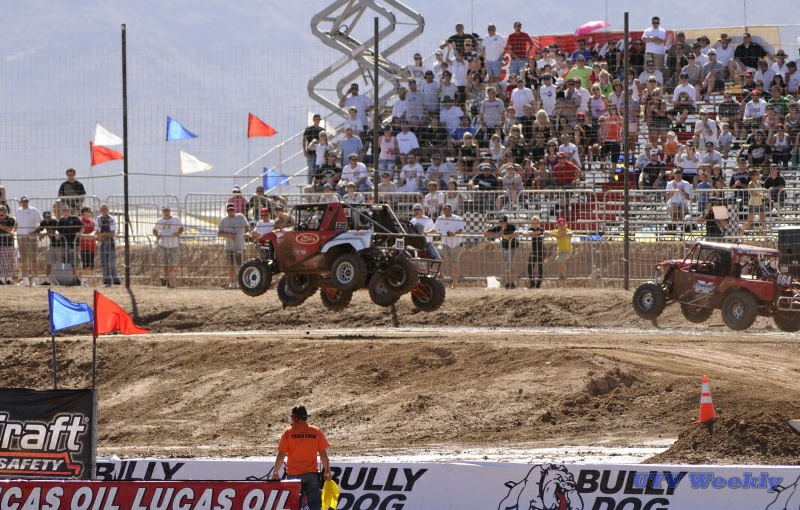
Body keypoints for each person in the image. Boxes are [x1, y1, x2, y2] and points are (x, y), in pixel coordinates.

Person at [272, 405, 331, 510]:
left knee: (293, 505)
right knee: (315, 504)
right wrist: (327, 471)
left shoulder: (288, 432)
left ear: (295, 417)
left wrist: (276, 472)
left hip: (293, 476)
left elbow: (281, 455)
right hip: (312, 474)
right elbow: (324, 455)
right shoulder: (316, 431)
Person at [431, 204, 464, 288]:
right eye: (445, 210)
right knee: (440, 254)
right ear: (443, 211)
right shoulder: (440, 219)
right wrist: (425, 233)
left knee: (455, 264)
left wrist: (454, 233)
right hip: (445, 243)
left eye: (448, 210)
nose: (446, 211)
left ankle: (455, 283)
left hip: (456, 244)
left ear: (451, 210)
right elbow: (434, 230)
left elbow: (461, 230)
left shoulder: (457, 219)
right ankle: (441, 274)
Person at [218, 203, 249, 289]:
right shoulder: (223, 220)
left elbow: (247, 227)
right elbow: (219, 233)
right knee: (231, 265)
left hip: (240, 245)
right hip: (229, 246)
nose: (231, 212)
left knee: (241, 265)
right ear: (227, 211)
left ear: (235, 210)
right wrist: (228, 235)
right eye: (229, 210)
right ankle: (232, 282)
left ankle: (241, 281)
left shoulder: (241, 217)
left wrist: (247, 233)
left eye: (232, 210)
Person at [484, 215, 519, 289]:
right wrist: (496, 234)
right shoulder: (498, 228)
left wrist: (508, 236)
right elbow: (485, 233)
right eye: (500, 222)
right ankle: (508, 282)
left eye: (503, 222)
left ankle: (512, 283)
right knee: (506, 265)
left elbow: (517, 233)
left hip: (513, 247)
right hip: (504, 247)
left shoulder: (511, 226)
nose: (502, 224)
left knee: (510, 263)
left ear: (506, 222)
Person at [153, 205, 184, 288]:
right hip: (163, 245)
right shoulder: (159, 221)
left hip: (174, 245)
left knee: (173, 263)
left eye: (167, 211)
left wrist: (177, 234)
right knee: (165, 265)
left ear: (170, 211)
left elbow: (181, 228)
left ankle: (164, 278)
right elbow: (154, 230)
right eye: (164, 211)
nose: (166, 212)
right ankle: (167, 282)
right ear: (162, 212)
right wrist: (157, 235)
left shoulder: (175, 219)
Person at [15, 196, 43, 286]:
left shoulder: (34, 210)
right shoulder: (18, 211)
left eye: (26, 201)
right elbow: (17, 223)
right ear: (21, 202)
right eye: (23, 201)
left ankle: (36, 280)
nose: (25, 203)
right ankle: (25, 280)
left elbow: (42, 223)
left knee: (34, 259)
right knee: (23, 260)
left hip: (31, 238)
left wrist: (35, 232)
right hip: (20, 238)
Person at [55, 204, 82, 285]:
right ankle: (68, 278)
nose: (66, 212)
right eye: (64, 210)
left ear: (70, 211)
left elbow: (82, 227)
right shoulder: (61, 220)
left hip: (74, 244)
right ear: (62, 212)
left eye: (67, 210)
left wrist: (79, 233)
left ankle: (76, 279)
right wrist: (57, 234)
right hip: (64, 245)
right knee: (66, 261)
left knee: (75, 261)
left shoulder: (75, 219)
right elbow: (57, 230)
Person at [95, 204, 121, 286]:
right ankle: (106, 279)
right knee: (103, 262)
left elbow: (113, 232)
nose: (104, 210)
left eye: (105, 209)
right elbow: (96, 231)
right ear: (100, 210)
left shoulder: (111, 219)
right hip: (102, 243)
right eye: (102, 209)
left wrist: (103, 235)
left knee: (111, 262)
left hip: (110, 242)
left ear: (108, 210)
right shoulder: (98, 219)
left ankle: (115, 278)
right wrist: (100, 236)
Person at [544, 218, 573, 288]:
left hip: (567, 251)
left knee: (557, 260)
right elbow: (545, 233)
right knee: (562, 267)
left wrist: (563, 235)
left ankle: (562, 275)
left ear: (566, 225)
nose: (562, 226)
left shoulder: (567, 230)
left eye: (563, 225)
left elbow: (570, 234)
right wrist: (554, 235)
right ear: (557, 225)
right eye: (560, 225)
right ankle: (564, 286)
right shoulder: (557, 231)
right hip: (560, 252)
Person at [742, 169, 767, 235]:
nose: (758, 175)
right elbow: (752, 194)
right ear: (752, 176)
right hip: (753, 204)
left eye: (758, 174)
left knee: (763, 221)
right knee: (750, 221)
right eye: (757, 174)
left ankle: (765, 237)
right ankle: (740, 233)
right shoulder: (751, 184)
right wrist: (762, 195)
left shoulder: (758, 182)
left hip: (760, 203)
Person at [38, 211, 59, 286]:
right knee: (49, 262)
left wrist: (44, 233)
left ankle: (60, 280)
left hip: (60, 245)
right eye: (45, 217)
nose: (47, 218)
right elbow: (38, 230)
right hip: (52, 245)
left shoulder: (54, 221)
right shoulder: (43, 223)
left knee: (59, 263)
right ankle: (47, 280)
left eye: (48, 217)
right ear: (43, 217)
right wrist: (40, 233)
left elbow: (56, 231)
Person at [302, 114, 324, 184]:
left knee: (318, 169)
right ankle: (309, 183)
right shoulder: (308, 129)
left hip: (319, 152)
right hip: (310, 152)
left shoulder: (322, 130)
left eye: (318, 119)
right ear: (313, 120)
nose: (317, 120)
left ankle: (317, 183)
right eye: (316, 119)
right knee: (311, 169)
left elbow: (324, 141)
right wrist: (304, 151)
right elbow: (304, 140)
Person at [78, 206, 96, 287]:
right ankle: (83, 280)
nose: (90, 213)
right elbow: (79, 233)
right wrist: (86, 236)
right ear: (84, 212)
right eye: (89, 211)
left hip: (91, 245)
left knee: (89, 264)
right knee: (84, 263)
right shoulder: (80, 220)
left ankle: (85, 280)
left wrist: (91, 235)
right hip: (83, 246)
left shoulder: (92, 221)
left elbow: (94, 231)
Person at [526, 216, 545, 289]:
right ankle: (532, 283)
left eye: (536, 223)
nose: (534, 224)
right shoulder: (530, 229)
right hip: (533, 251)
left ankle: (538, 284)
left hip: (541, 250)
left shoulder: (540, 228)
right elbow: (526, 232)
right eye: (533, 223)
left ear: (538, 223)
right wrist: (530, 232)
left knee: (540, 267)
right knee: (530, 267)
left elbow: (540, 232)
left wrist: (532, 233)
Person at [0, 206, 16, 285]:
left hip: (9, 243)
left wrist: (1, 227)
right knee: (2, 261)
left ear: (6, 212)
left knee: (10, 261)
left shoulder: (11, 219)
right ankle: (2, 279)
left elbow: (10, 229)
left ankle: (9, 279)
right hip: (1, 243)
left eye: (2, 212)